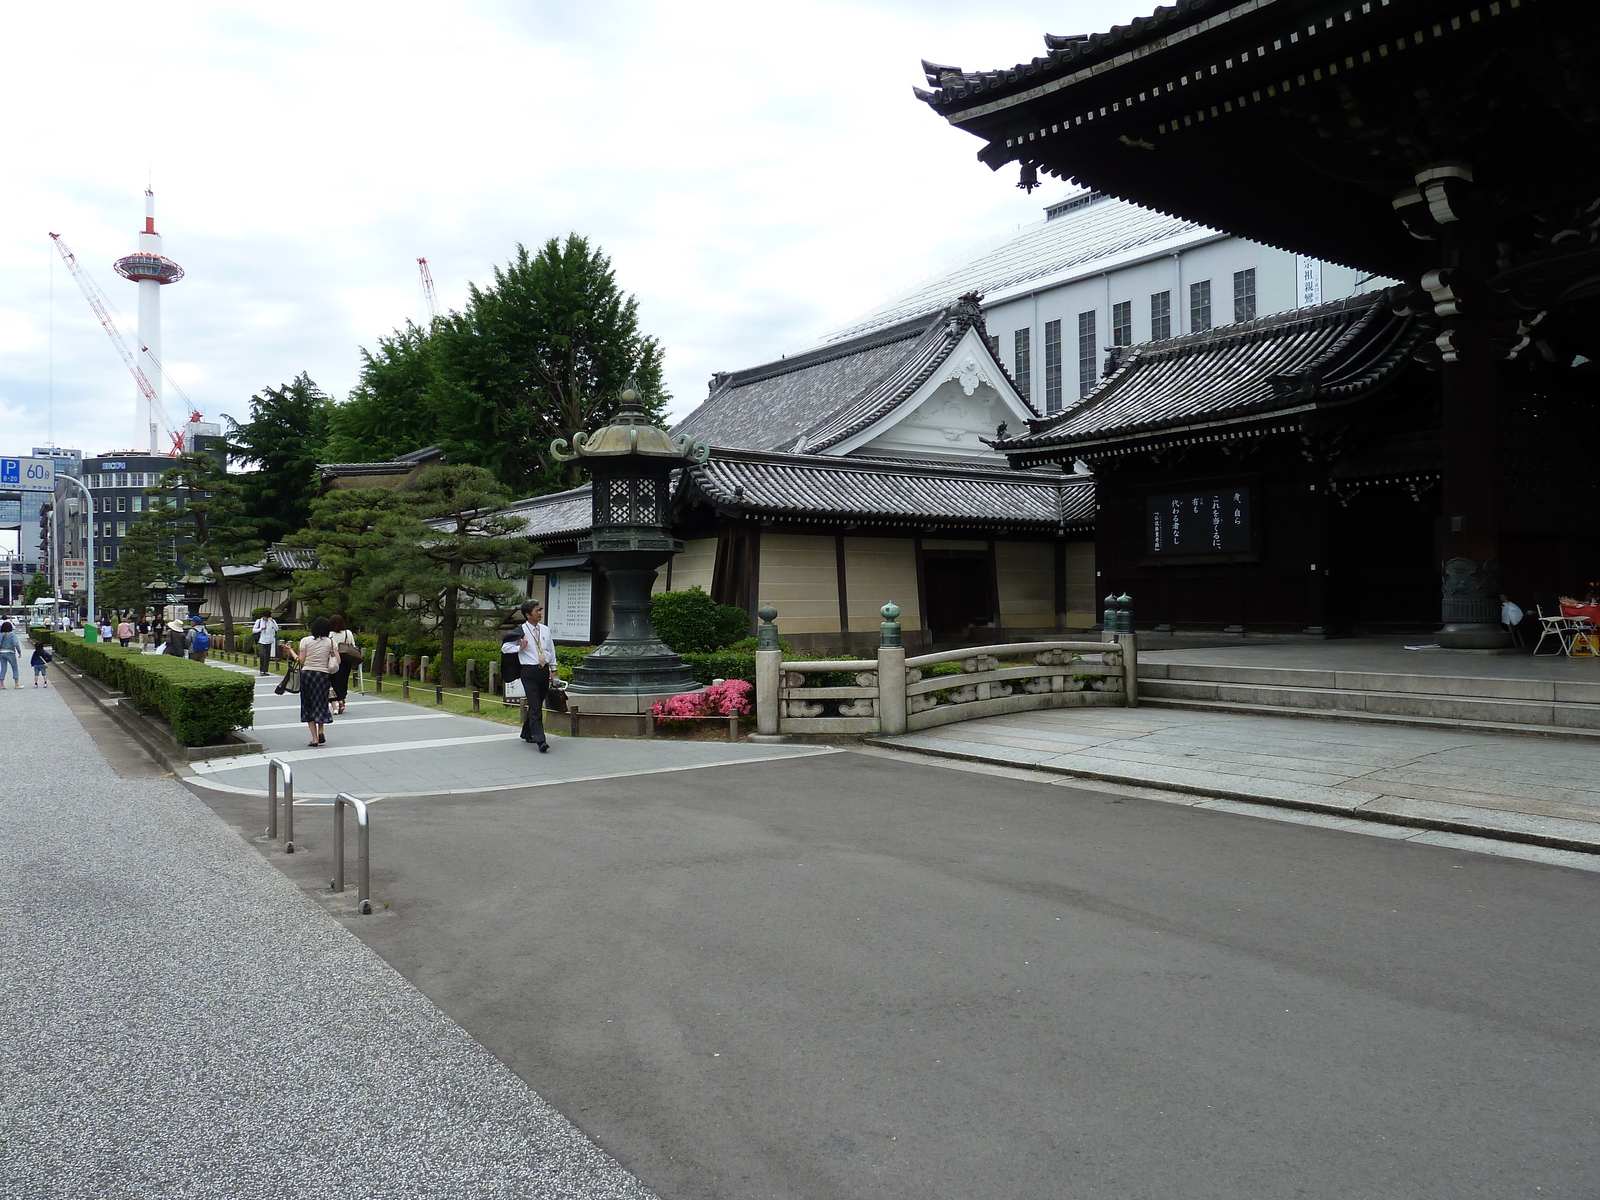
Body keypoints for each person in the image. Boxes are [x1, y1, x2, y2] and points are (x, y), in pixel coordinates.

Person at [283, 616, 336, 747]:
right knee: (321, 702)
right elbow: (337, 660)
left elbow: (301, 661)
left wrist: (290, 650)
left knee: (308, 704)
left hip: (307, 675)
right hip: (323, 675)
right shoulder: (330, 642)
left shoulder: (305, 641)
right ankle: (321, 731)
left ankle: (314, 738)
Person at [515, 598, 557, 751]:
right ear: (528, 614)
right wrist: (519, 647)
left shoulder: (545, 629)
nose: (540, 613)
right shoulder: (520, 631)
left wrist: (554, 670)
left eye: (540, 610)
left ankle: (526, 733)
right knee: (534, 705)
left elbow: (551, 650)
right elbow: (505, 648)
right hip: (528, 671)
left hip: (543, 670)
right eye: (537, 610)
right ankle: (540, 739)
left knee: (537, 703)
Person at [327, 613, 358, 715]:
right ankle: (342, 699)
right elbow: (353, 645)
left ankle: (337, 700)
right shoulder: (347, 633)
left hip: (333, 660)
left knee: (333, 681)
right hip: (345, 660)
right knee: (343, 681)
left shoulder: (329, 634)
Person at [251, 611, 280, 675]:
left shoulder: (272, 621)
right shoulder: (259, 621)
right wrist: (261, 629)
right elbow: (254, 630)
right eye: (265, 617)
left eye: (267, 617)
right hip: (261, 640)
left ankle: (266, 670)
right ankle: (261, 670)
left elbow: (276, 629)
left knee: (267, 656)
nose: (266, 619)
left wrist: (273, 622)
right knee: (262, 654)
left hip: (269, 640)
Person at [0, 623, 20, 689]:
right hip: (10, 652)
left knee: (3, 669)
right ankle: (16, 684)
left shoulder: (0, 635)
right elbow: (16, 643)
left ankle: (1, 684)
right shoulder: (12, 635)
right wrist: (19, 651)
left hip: (1, 653)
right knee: (15, 668)